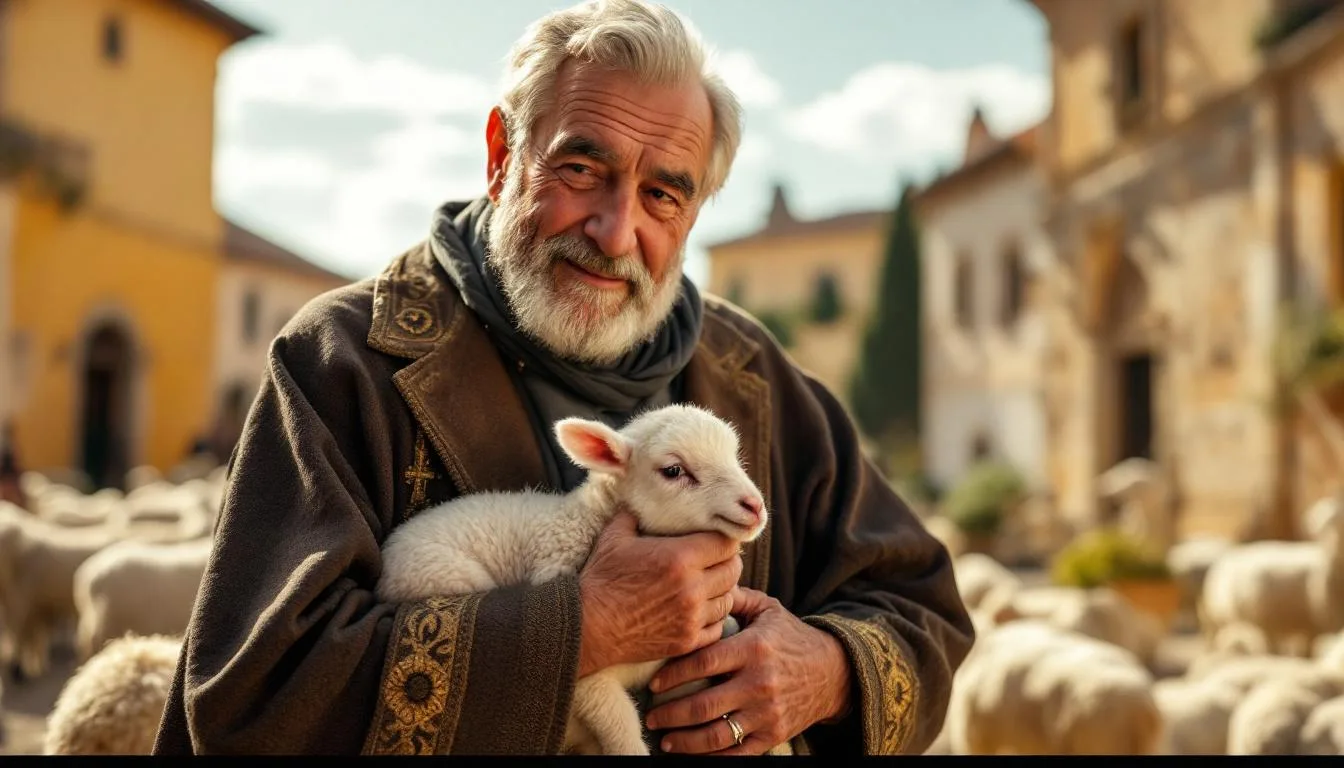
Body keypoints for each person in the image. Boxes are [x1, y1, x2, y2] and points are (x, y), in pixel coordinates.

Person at [152, 0, 974, 756]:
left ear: (694, 215)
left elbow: (922, 609)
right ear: (502, 154)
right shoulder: (346, 360)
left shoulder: (751, 375)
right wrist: (585, 628)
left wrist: (823, 671)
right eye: (583, 170)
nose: (617, 234)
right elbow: (252, 703)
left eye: (662, 196)